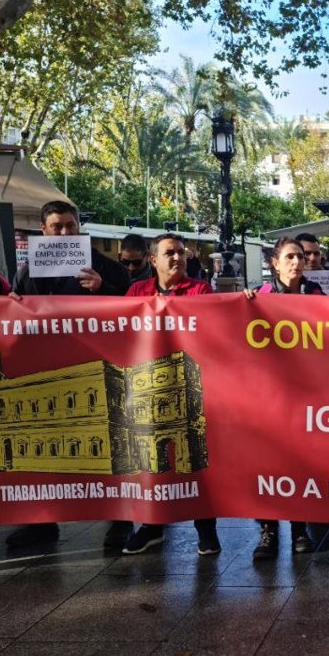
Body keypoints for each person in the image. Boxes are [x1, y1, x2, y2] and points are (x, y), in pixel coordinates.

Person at [6, 201, 131, 551]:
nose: (64, 232)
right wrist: (10, 305)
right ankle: (43, 522)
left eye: (70, 226)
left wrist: (103, 289)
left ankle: (120, 519)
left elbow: (134, 307)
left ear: (79, 227)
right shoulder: (27, 271)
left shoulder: (105, 267)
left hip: (97, 372)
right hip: (48, 375)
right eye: (57, 226)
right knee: (42, 448)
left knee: (109, 446)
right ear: (43, 230)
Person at [121, 233, 221, 557]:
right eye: (169, 253)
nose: (177, 257)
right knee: (152, 460)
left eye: (180, 252)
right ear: (153, 260)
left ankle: (206, 530)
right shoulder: (137, 292)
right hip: (148, 388)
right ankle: (152, 527)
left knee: (195, 459)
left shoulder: (200, 290)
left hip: (188, 385)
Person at [243, 238, 322, 560]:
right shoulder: (259, 296)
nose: (296, 262)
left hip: (304, 392)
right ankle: (268, 530)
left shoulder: (316, 294)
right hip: (268, 395)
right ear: (275, 263)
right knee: (267, 464)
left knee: (299, 463)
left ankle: (299, 527)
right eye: (289, 257)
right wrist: (242, 305)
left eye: (300, 257)